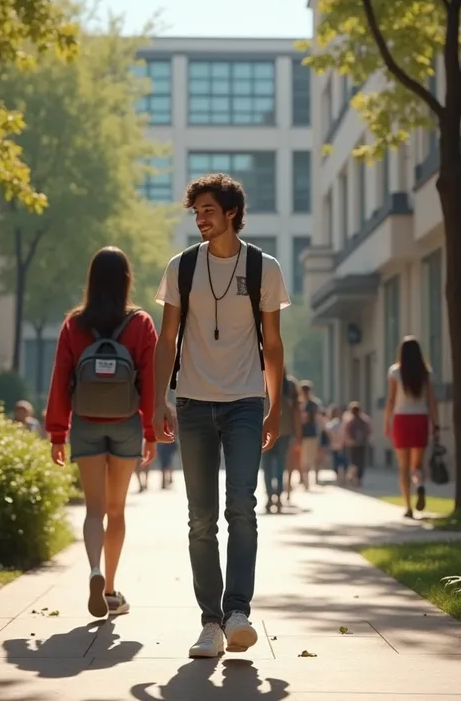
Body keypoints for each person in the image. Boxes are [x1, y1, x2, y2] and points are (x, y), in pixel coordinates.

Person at [153, 172, 289, 658]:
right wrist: (156, 401)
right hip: (191, 402)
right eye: (196, 212)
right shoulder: (182, 267)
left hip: (247, 403)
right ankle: (209, 622)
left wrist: (276, 408)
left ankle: (238, 614)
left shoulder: (263, 267)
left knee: (242, 509)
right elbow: (166, 339)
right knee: (200, 519)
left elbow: (272, 344)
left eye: (208, 210)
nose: (200, 219)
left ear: (232, 212)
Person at [45, 246, 158, 618]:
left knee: (94, 510)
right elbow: (151, 380)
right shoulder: (140, 324)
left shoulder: (74, 324)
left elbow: (61, 379)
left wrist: (57, 432)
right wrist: (150, 431)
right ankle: (110, 589)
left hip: (86, 424)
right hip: (125, 424)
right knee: (116, 509)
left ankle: (93, 569)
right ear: (127, 280)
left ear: (91, 281)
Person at [384, 335, 439, 518]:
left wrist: (386, 422)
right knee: (418, 464)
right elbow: (432, 401)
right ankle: (420, 485)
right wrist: (436, 424)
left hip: (401, 419)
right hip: (420, 419)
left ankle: (408, 507)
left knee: (404, 467)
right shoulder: (426, 373)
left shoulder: (395, 372)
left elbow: (391, 400)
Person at [261, 368, 300, 514]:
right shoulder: (291, 385)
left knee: (268, 466)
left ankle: (271, 496)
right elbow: (296, 412)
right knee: (279, 466)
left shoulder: (263, 381)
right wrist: (297, 433)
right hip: (283, 430)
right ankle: (276, 496)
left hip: (266, 430)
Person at [344, 401, 371, 487]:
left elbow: (346, 433)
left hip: (353, 445)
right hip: (361, 444)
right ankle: (358, 478)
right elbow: (368, 431)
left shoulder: (350, 422)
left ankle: (353, 476)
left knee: (353, 462)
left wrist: (348, 441)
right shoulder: (364, 421)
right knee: (360, 462)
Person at [299, 381, 320, 489]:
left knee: (308, 459)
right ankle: (306, 481)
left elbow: (307, 419)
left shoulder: (310, 404)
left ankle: (308, 481)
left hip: (309, 434)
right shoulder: (303, 404)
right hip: (305, 434)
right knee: (305, 459)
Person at [326, 405, 348, 483]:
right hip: (335, 446)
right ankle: (338, 476)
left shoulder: (346, 422)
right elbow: (328, 431)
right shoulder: (334, 423)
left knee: (345, 462)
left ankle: (344, 477)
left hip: (344, 446)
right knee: (336, 462)